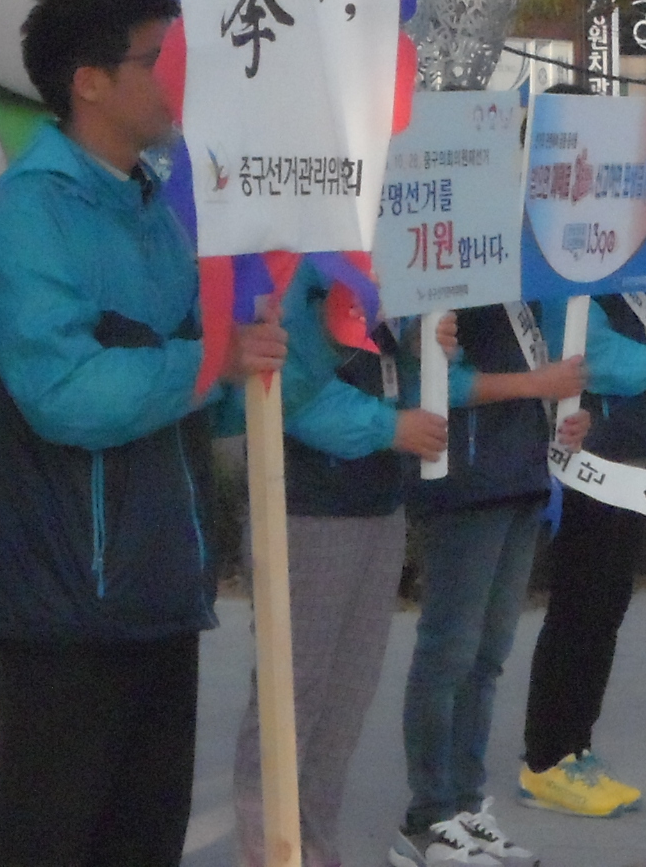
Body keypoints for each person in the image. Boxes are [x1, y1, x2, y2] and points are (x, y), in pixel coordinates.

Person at [0, 0, 285, 867]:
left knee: (144, 843)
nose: (177, 77)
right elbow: (64, 395)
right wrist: (208, 360)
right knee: (48, 842)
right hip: (66, 602)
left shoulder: (160, 210)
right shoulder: (27, 218)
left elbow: (200, 390)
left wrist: (255, 351)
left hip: (158, 589)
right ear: (89, 82)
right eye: (159, 58)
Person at [232, 265, 447, 867]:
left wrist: (424, 353)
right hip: (307, 507)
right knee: (289, 700)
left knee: (343, 704)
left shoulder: (382, 262)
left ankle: (314, 849)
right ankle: (266, 853)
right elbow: (287, 387)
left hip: (378, 503)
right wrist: (388, 428)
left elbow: (393, 380)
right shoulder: (299, 260)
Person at [393, 304, 585, 867]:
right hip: (465, 483)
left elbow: (538, 370)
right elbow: (434, 381)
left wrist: (562, 412)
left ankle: (466, 804)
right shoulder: (453, 275)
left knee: (487, 657)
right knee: (448, 653)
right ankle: (428, 815)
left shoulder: (515, 280)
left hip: (519, 475)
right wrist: (536, 384)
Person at [514, 291, 646, 816]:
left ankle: (576, 747)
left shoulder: (625, 281)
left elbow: (638, 344)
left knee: (606, 609)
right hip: (591, 460)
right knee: (580, 608)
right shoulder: (574, 277)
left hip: (626, 458)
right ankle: (547, 760)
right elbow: (590, 355)